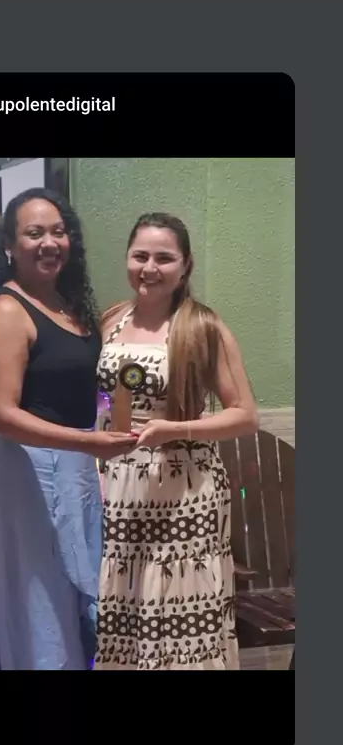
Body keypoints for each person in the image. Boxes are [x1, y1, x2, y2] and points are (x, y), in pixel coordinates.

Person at [0, 187, 137, 670]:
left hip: (75, 470)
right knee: (41, 610)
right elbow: (0, 413)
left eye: (59, 232)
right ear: (10, 246)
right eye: (34, 233)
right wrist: (87, 441)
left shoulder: (68, 306)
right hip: (29, 475)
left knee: (77, 605)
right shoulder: (7, 310)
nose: (49, 243)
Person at [94, 213, 259, 670]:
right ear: (127, 259)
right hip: (122, 487)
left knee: (180, 606)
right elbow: (102, 397)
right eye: (140, 256)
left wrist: (174, 429)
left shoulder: (203, 327)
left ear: (186, 265)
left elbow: (245, 414)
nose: (150, 268)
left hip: (185, 489)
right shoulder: (111, 320)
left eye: (164, 258)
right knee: (127, 603)